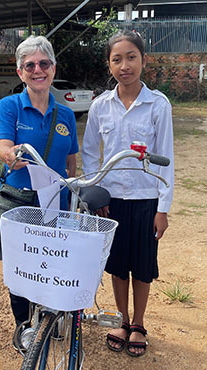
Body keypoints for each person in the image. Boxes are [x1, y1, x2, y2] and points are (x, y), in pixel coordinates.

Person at [81, 30, 174, 357]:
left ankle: (138, 323)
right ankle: (121, 318)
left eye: (131, 57)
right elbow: (90, 151)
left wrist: (163, 207)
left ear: (143, 60)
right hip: (112, 202)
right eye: (117, 59)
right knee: (118, 265)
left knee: (143, 266)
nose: (124, 65)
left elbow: (167, 158)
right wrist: (96, 191)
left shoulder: (158, 105)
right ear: (109, 64)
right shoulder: (100, 106)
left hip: (146, 200)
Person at [0, 35, 79, 351]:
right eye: (30, 65)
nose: (37, 69)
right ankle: (24, 326)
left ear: (53, 68)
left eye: (43, 63)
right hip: (21, 202)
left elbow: (71, 162)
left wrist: (73, 190)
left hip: (57, 203)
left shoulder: (66, 115)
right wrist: (10, 155)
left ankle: (49, 315)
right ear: (20, 72)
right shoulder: (10, 106)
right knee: (21, 267)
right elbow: (3, 146)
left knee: (52, 263)